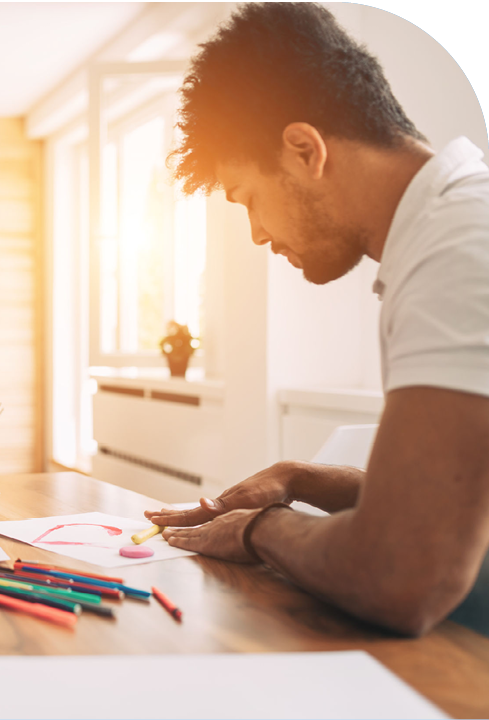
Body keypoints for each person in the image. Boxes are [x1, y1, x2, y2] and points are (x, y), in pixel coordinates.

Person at [146, 2, 489, 637]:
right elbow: (448, 498)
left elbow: (402, 574)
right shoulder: (450, 229)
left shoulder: (459, 251)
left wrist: (257, 529)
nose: (254, 234)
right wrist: (300, 480)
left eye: (249, 199)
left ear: (305, 149)